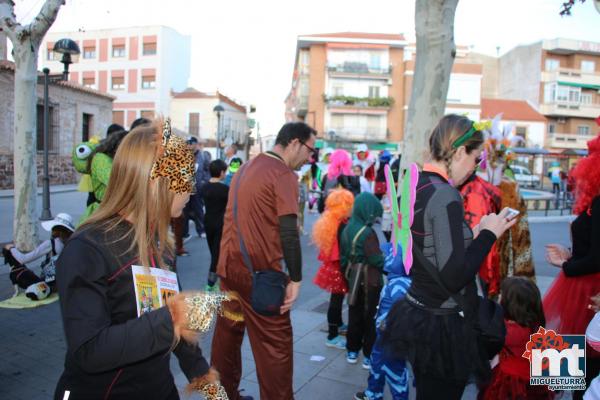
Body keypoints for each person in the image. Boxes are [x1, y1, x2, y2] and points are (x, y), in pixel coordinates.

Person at [53, 120, 228, 400]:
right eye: (184, 178)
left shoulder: (162, 243)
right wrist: (171, 316)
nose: (191, 190)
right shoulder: (87, 248)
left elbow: (177, 326)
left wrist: (206, 380)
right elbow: (89, 349)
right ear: (157, 183)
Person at [380, 114, 516, 400]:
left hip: (419, 312)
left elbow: (432, 247)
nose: (475, 167)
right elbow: (454, 275)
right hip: (442, 324)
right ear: (458, 151)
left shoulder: (418, 183)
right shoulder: (446, 195)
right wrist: (489, 235)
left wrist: (475, 234)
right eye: (477, 158)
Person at [211, 122, 317, 400]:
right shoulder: (283, 174)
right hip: (258, 275)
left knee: (227, 337)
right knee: (275, 348)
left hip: (228, 269)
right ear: (294, 143)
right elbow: (288, 232)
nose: (310, 158)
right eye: (310, 150)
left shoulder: (246, 166)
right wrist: (295, 278)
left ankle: (224, 394)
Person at [544, 133, 600, 400]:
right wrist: (569, 256)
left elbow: (597, 258)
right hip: (584, 288)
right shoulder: (595, 203)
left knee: (578, 371)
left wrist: (567, 266)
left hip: (586, 293)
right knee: (572, 369)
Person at [479, 277, 554, 400]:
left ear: (509, 303)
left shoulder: (506, 330)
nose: (499, 297)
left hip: (509, 380)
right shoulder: (535, 326)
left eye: (501, 294)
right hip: (534, 380)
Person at [355, 242, 411, 400]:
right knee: (377, 359)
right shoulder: (396, 280)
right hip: (382, 335)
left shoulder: (401, 284)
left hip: (391, 336)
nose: (384, 257)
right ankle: (373, 393)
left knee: (394, 366)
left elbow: (395, 319)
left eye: (388, 255)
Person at [340, 192, 385, 368]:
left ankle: (352, 351)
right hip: (370, 281)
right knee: (370, 318)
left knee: (354, 314)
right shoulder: (367, 233)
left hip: (353, 278)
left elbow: (343, 259)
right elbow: (376, 260)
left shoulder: (347, 228)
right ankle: (368, 355)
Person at [312, 188, 354, 349]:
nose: (352, 208)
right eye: (350, 204)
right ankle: (332, 335)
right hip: (338, 267)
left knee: (337, 300)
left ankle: (339, 324)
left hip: (333, 267)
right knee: (336, 301)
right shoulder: (340, 225)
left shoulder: (332, 221)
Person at [4, 212, 75, 292]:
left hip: (51, 282)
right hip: (68, 281)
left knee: (16, 266)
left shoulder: (51, 243)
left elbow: (23, 259)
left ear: (56, 229)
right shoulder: (73, 241)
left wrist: (11, 248)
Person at [79, 129, 129, 223]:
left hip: (115, 212)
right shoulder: (100, 159)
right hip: (103, 214)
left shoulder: (113, 159)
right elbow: (114, 181)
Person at [202, 159, 230, 291]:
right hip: (221, 223)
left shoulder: (204, 187)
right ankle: (211, 283)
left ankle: (214, 281)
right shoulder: (225, 189)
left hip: (207, 222)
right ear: (221, 172)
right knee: (217, 254)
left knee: (213, 251)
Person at [183, 136, 211, 239]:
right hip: (185, 188)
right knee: (184, 211)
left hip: (198, 187)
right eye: (188, 143)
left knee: (198, 209)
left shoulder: (203, 156)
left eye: (191, 143)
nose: (189, 145)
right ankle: (184, 232)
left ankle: (201, 230)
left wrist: (204, 181)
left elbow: (208, 170)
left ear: (195, 144)